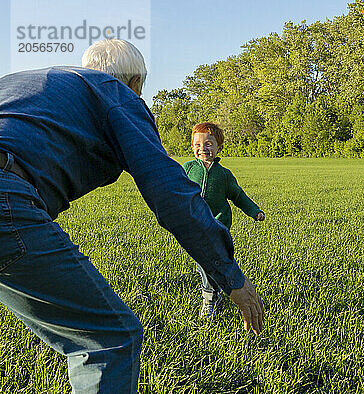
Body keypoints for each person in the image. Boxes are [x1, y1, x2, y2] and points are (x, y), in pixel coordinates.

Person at [0, 39, 264, 393]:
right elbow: (172, 194)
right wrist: (230, 276)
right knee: (109, 338)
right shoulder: (115, 93)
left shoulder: (30, 83)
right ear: (134, 81)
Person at [183, 123, 265, 317]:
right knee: (202, 263)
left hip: (218, 226)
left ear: (219, 148)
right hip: (194, 225)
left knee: (209, 262)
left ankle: (210, 297)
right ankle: (216, 290)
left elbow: (238, 196)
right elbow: (177, 189)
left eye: (208, 144)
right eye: (197, 144)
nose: (202, 148)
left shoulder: (224, 175)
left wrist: (254, 211)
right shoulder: (187, 168)